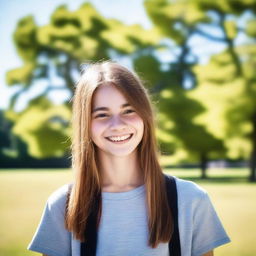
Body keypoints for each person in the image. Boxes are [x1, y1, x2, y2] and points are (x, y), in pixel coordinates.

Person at [28, 61, 231, 256]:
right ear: (85, 124)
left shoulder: (192, 199)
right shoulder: (62, 205)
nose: (117, 124)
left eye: (128, 110)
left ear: (145, 116)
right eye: (102, 114)